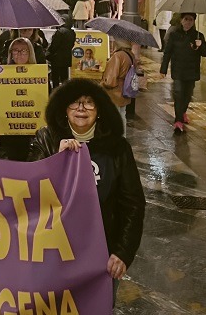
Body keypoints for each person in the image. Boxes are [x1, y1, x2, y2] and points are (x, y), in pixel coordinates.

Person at [28, 79, 145, 305]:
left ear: (99, 110)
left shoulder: (118, 148)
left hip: (101, 255)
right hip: (54, 253)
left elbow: (133, 204)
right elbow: (31, 191)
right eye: (75, 103)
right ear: (64, 108)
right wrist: (56, 160)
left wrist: (123, 252)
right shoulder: (45, 139)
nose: (81, 109)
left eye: (89, 103)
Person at [159, 12, 206, 133]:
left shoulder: (198, 36)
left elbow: (205, 53)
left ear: (194, 21)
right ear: (181, 20)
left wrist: (200, 45)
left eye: (191, 20)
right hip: (178, 70)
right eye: (186, 19)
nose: (188, 22)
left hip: (192, 71)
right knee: (178, 93)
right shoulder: (174, 35)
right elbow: (168, 52)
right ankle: (178, 121)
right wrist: (163, 69)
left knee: (187, 95)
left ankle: (183, 112)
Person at [101, 38, 136, 137]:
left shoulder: (118, 56)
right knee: (122, 114)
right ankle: (122, 137)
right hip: (125, 88)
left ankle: (114, 138)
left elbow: (110, 80)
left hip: (115, 91)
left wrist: (102, 84)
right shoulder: (130, 55)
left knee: (113, 116)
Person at [47, 16, 76, 88]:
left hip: (56, 58)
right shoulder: (72, 33)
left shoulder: (59, 32)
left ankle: (56, 94)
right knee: (64, 78)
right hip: (66, 58)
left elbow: (54, 46)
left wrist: (49, 53)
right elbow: (72, 45)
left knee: (55, 79)